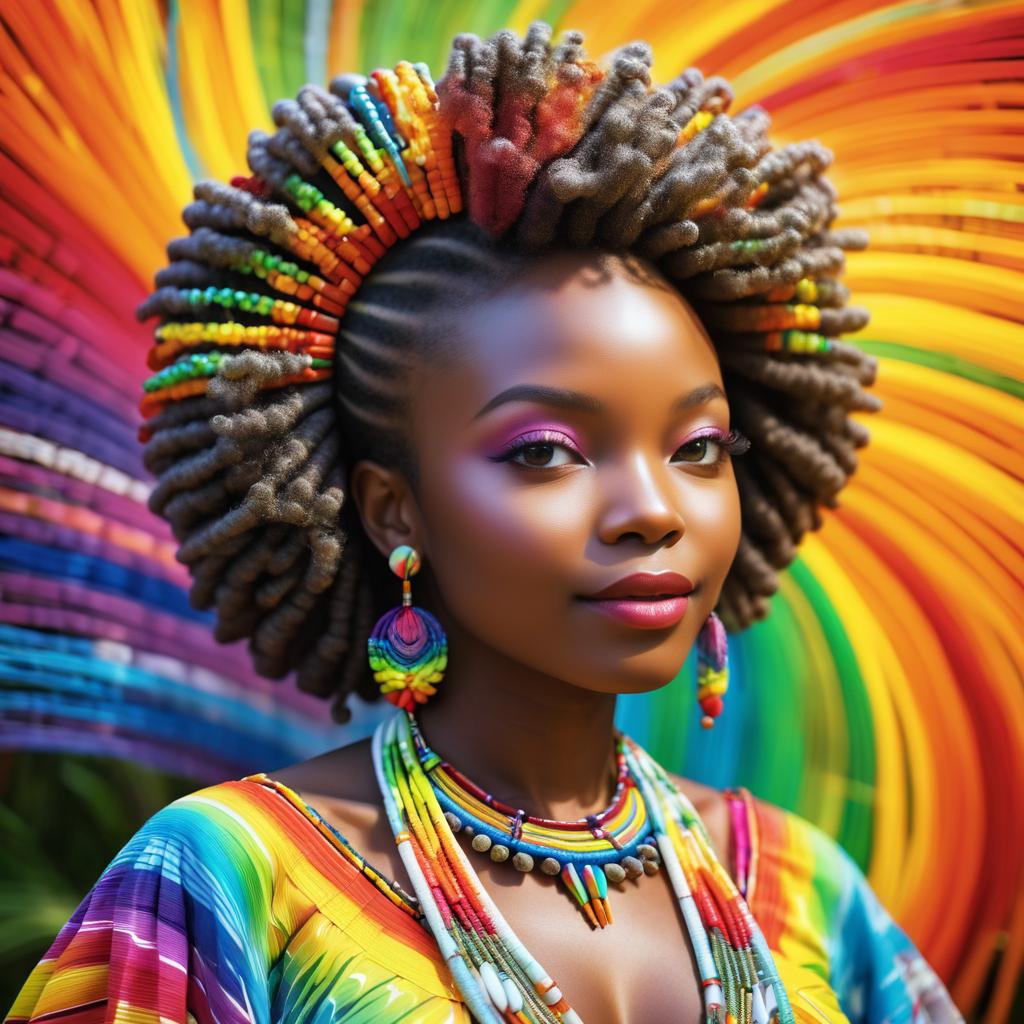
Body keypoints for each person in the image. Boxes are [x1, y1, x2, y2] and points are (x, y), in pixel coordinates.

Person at [4, 22, 964, 1024]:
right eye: (545, 451)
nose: (652, 510)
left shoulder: (807, 892)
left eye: (697, 449)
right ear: (392, 508)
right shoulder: (230, 885)